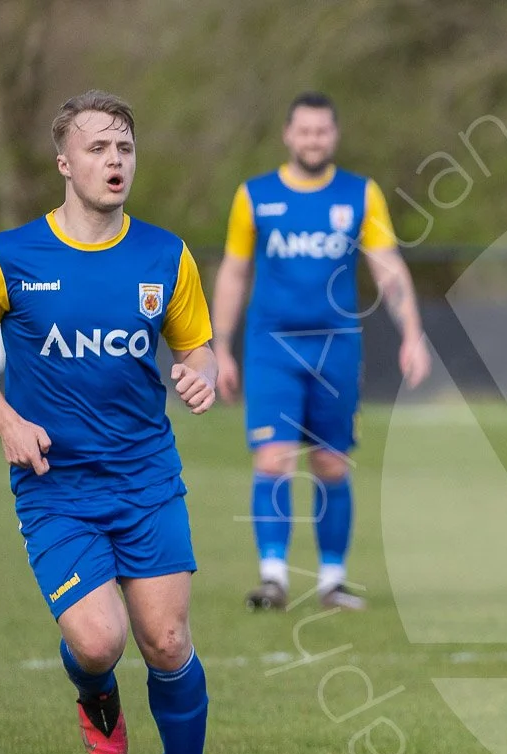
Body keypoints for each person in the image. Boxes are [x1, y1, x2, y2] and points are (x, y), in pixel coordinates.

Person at [0, 91, 218, 754]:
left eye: (125, 149)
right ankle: (94, 690)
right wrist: (6, 419)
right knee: (98, 641)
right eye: (98, 148)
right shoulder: (9, 255)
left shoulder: (165, 255)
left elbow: (196, 345)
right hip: (55, 484)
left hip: (146, 478)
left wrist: (200, 373)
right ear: (64, 163)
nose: (115, 161)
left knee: (166, 641)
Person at [211, 91, 430, 612]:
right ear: (288, 135)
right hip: (271, 349)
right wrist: (220, 347)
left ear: (334, 135)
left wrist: (413, 333)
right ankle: (273, 578)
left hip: (337, 350)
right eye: (305, 131)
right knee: (274, 458)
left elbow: (387, 268)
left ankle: (333, 581)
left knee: (332, 463)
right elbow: (235, 272)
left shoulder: (360, 194)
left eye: (322, 131)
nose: (313, 140)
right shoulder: (254, 196)